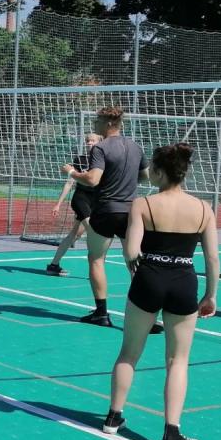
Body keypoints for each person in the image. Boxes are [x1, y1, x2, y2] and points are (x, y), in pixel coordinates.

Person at [102, 144, 219, 440]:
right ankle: (172, 431)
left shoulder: (143, 204)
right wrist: (211, 295)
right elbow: (213, 259)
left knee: (129, 353)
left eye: (151, 169)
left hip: (149, 278)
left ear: (159, 172)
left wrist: (141, 275)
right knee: (177, 360)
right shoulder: (203, 209)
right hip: (184, 282)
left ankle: (113, 417)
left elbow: (131, 251)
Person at [60, 106, 159, 330]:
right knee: (134, 261)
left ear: (108, 123)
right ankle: (147, 318)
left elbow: (93, 179)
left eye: (97, 121)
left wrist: (71, 172)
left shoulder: (101, 147)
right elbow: (145, 176)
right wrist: (126, 181)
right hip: (130, 212)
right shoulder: (135, 146)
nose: (94, 124)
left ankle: (101, 313)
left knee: (96, 259)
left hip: (105, 210)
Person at [46, 133, 102, 276]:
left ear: (100, 143)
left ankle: (53, 265)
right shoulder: (80, 160)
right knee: (94, 232)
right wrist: (58, 204)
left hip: (95, 201)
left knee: (75, 234)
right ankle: (95, 270)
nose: (89, 143)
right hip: (81, 199)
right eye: (87, 141)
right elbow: (70, 182)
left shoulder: (104, 160)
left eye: (93, 141)